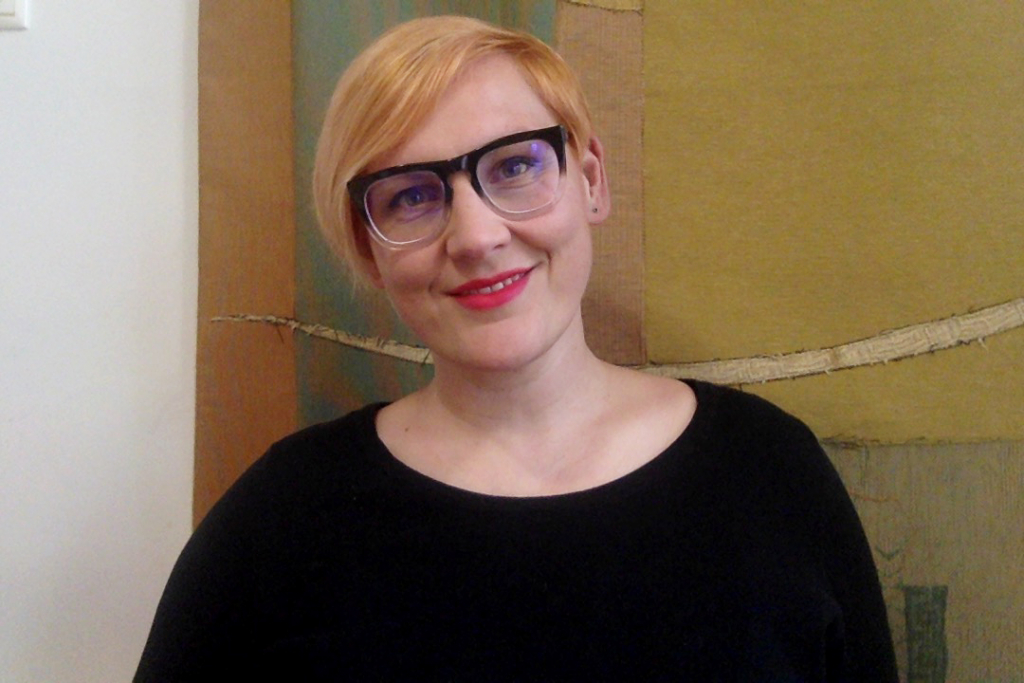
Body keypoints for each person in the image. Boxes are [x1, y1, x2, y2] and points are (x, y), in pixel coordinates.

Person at [136, 15, 898, 681]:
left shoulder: (769, 471)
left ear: (591, 181)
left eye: (515, 166)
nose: (476, 235)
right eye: (411, 195)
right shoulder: (284, 516)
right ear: (370, 251)